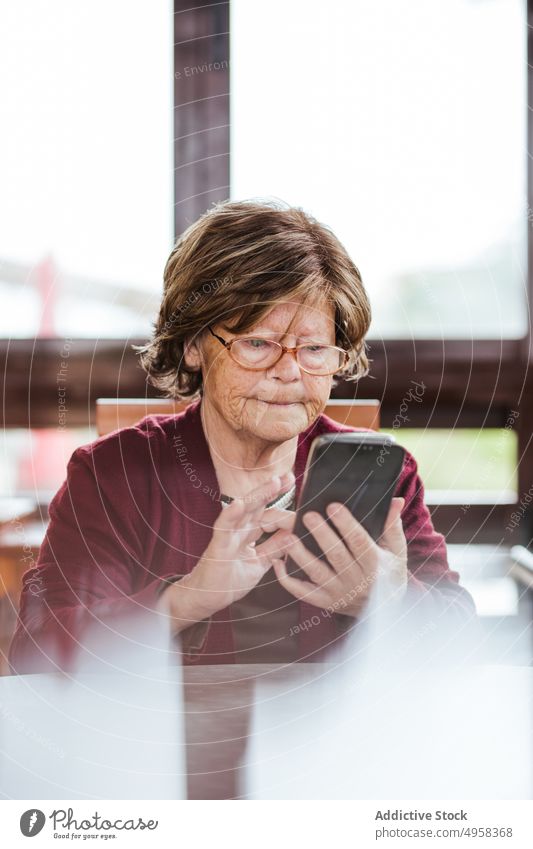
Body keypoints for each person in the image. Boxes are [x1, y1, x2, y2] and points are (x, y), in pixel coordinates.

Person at [9, 199, 475, 673]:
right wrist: (189, 598)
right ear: (192, 346)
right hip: (165, 744)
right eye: (257, 343)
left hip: (337, 744)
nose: (290, 371)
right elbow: (36, 655)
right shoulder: (113, 476)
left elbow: (461, 647)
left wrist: (391, 601)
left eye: (314, 349)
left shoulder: (379, 474)